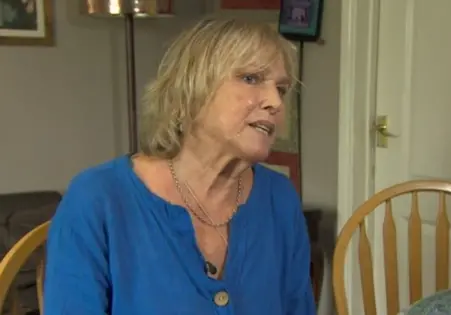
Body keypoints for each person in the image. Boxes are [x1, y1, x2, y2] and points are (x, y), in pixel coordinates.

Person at [43, 18, 316, 315]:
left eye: (282, 88)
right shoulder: (99, 200)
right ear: (190, 91)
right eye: (251, 78)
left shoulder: (279, 198)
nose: (275, 101)